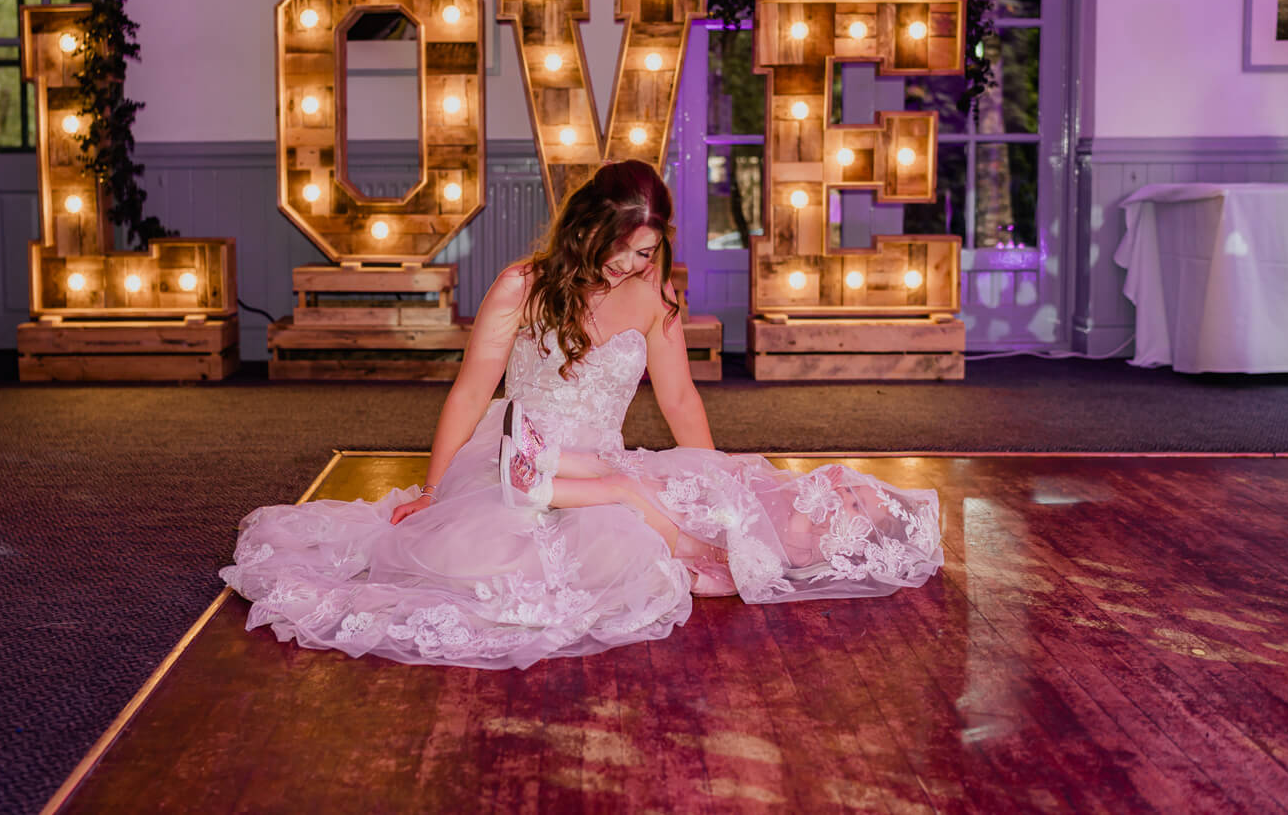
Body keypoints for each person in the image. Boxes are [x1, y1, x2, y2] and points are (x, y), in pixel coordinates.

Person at [220, 160, 943, 669]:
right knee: (491, 564)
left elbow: (680, 399)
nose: (635, 266)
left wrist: (715, 474)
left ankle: (781, 533)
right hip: (518, 461)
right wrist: (435, 493)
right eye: (625, 252)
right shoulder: (522, 289)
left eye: (649, 252)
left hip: (601, 460)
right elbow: (471, 393)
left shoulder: (656, 298)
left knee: (715, 516)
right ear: (591, 230)